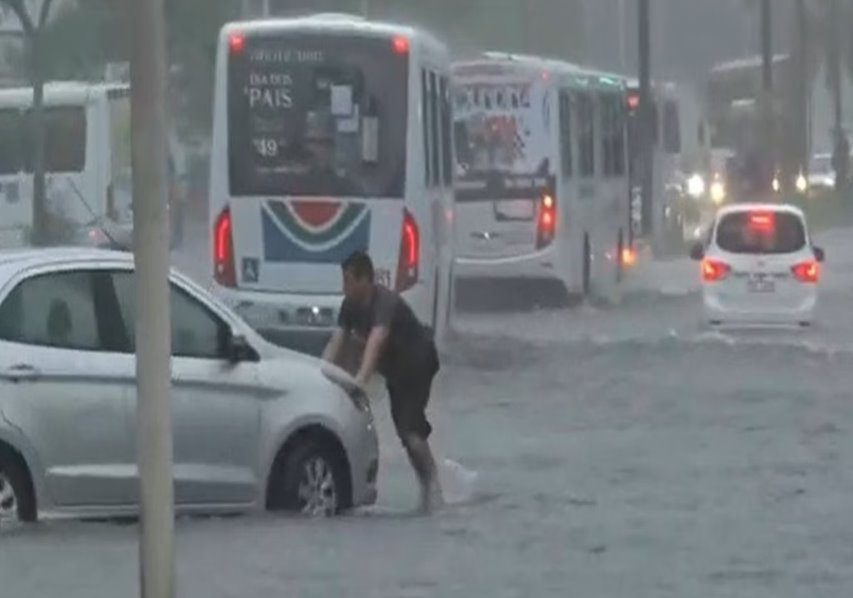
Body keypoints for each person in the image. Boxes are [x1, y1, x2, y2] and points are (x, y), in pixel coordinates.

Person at [322, 251, 444, 513]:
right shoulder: (350, 305)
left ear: (365, 280)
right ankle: (426, 487)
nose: (344, 288)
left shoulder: (384, 302)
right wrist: (318, 374)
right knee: (405, 434)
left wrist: (360, 381)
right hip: (395, 369)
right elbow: (337, 342)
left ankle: (433, 486)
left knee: (411, 432)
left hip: (418, 363)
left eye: (348, 281)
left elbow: (376, 341)